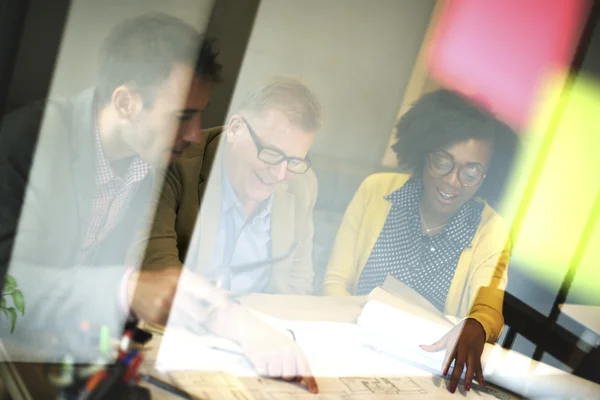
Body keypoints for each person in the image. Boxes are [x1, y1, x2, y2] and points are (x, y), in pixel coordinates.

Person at [0, 15, 318, 392]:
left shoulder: (147, 161)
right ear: (125, 102)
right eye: (183, 116)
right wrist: (126, 289)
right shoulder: (28, 144)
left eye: (199, 115)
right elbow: (10, 293)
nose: (196, 134)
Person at [323, 89, 518, 393]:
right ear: (425, 151)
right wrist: (349, 337)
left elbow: (488, 306)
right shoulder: (376, 191)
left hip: (424, 374)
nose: (453, 181)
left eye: (471, 171)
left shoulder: (490, 228)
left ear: (487, 176)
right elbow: (336, 281)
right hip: (349, 348)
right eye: (443, 161)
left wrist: (476, 326)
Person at [137, 77, 320, 296]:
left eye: (293, 160)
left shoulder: (303, 184)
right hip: (186, 315)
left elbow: (297, 281)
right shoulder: (176, 163)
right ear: (235, 128)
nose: (280, 174)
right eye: (271, 153)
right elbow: (156, 266)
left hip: (258, 320)